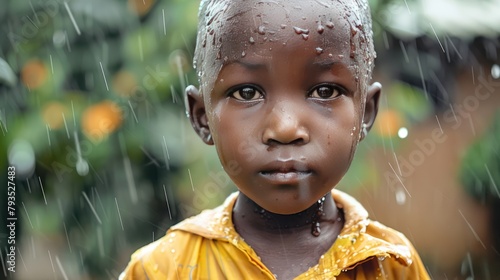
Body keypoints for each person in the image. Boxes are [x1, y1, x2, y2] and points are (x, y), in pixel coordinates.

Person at [121, 0, 430, 278]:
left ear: (365, 112)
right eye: (247, 93)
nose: (285, 128)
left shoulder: (391, 265)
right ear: (202, 116)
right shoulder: (162, 270)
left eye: (324, 92)